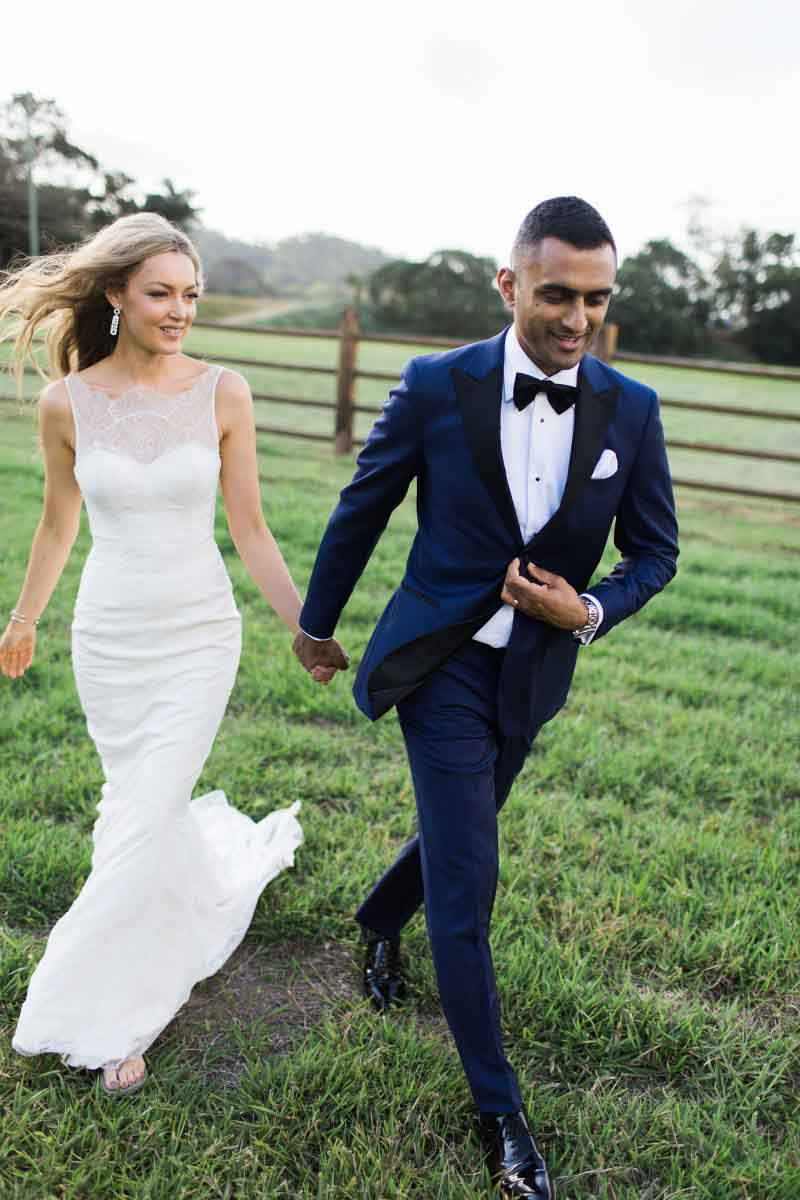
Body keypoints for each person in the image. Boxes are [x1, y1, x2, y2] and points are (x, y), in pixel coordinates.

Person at [293, 197, 678, 1198]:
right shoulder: (434, 385)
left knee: (456, 830)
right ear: (507, 285)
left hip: (533, 672)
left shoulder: (628, 409)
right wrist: (316, 621)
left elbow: (656, 553)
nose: (575, 318)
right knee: (468, 883)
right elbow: (362, 502)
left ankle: (377, 919)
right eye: (555, 293)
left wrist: (583, 610)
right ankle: (502, 1119)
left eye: (594, 298)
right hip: (439, 663)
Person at [0, 213, 333, 1095]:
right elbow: (58, 521)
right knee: (140, 807)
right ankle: (183, 908)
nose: (180, 309)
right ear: (115, 295)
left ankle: (115, 1019)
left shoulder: (224, 391)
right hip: (108, 639)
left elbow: (251, 527)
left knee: (145, 815)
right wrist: (23, 617)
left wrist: (303, 624)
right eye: (161, 293)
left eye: (191, 294)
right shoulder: (65, 403)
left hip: (197, 636)